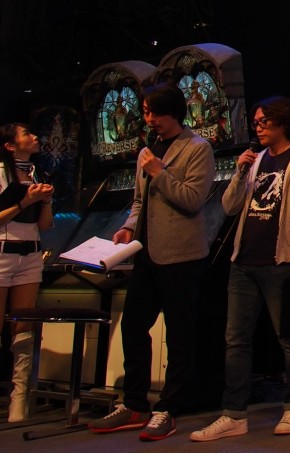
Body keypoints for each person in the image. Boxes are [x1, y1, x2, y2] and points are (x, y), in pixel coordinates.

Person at [190, 96, 290, 442]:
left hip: (282, 261)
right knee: (236, 340)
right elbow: (230, 206)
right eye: (256, 123)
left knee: (289, 339)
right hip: (244, 263)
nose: (259, 128)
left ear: (283, 122)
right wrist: (239, 172)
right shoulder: (256, 160)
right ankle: (233, 414)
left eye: (264, 122)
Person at [89, 82, 215, 441]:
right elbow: (139, 201)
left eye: (155, 113)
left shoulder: (198, 148)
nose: (149, 119)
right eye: (146, 112)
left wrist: (160, 172)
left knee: (178, 334)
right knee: (133, 326)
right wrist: (128, 227)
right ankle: (134, 404)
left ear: (174, 113)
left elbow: (192, 199)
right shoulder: (148, 149)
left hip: (181, 256)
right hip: (146, 254)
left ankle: (168, 408)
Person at [0, 123, 55, 426]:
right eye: (26, 134)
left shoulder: (38, 174)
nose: (34, 137)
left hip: (30, 256)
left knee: (23, 328)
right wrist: (24, 201)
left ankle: (19, 399)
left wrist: (45, 201)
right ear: (9, 145)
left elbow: (44, 225)